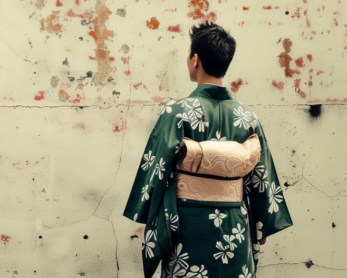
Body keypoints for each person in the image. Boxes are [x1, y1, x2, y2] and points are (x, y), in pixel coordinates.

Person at [122, 21, 293, 277]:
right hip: (235, 224)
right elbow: (261, 177)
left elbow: (155, 172)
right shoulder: (248, 118)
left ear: (195, 59)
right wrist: (260, 224)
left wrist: (150, 215)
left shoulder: (176, 112)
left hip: (187, 224)